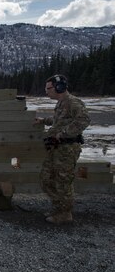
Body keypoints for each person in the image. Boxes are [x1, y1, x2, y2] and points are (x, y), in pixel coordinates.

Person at [34, 74, 90, 224]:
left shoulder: (73, 102)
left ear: (59, 87)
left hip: (67, 149)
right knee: (46, 179)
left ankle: (65, 214)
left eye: (49, 88)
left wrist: (64, 134)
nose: (47, 91)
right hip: (56, 148)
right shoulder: (61, 103)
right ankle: (59, 208)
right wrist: (44, 121)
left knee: (63, 182)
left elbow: (84, 120)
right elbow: (59, 120)